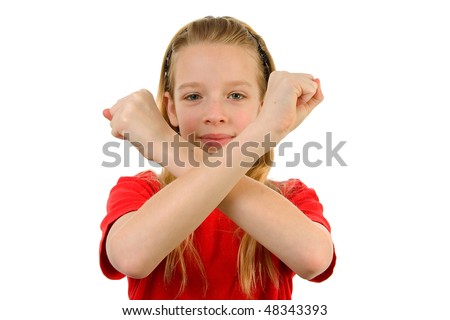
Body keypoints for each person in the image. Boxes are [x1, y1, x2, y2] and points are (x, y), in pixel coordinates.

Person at [99, 16, 336, 300]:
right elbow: (130, 258)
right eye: (193, 96)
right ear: (170, 109)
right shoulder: (141, 191)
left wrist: (167, 146)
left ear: (265, 109)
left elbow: (313, 259)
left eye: (236, 95)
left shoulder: (292, 196)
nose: (214, 115)